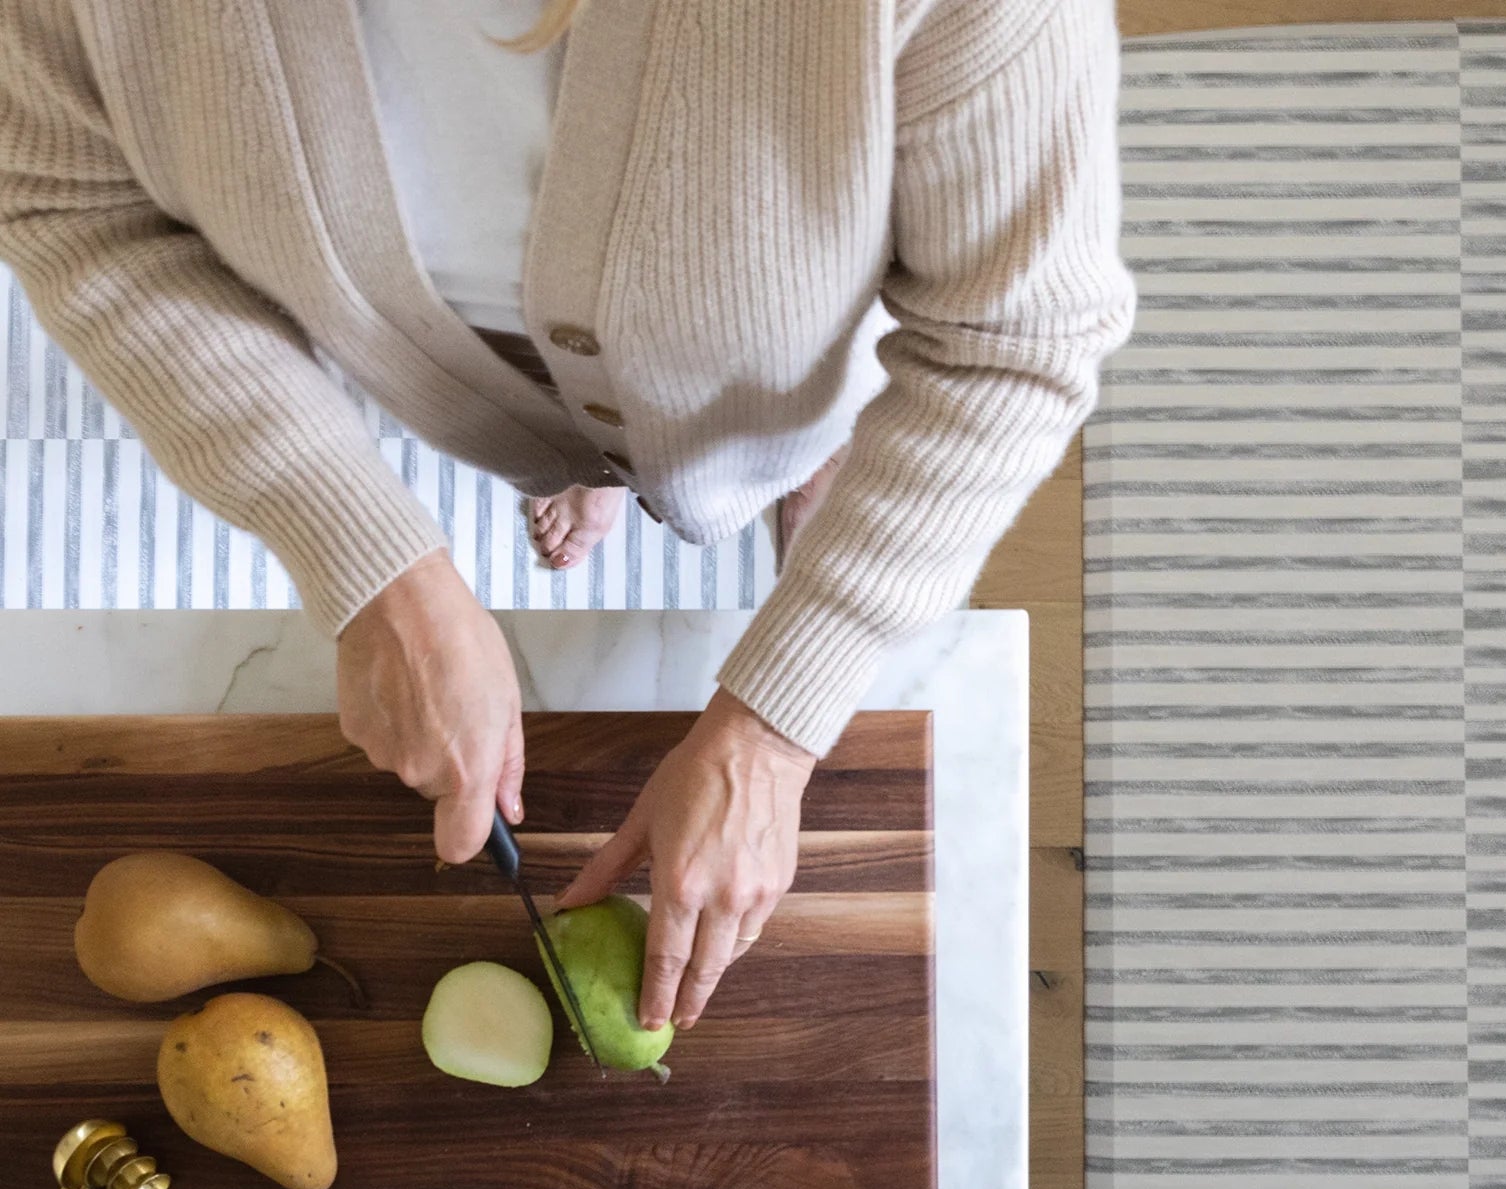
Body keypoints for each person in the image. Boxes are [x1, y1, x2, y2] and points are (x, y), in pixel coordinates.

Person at [0, 0, 1137, 1033]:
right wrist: (369, 560)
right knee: (572, 434)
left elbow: (1010, 341)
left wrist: (775, 731)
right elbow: (62, 192)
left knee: (803, 452)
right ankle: (599, 450)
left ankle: (784, 459)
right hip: (476, 383)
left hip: (790, 384)